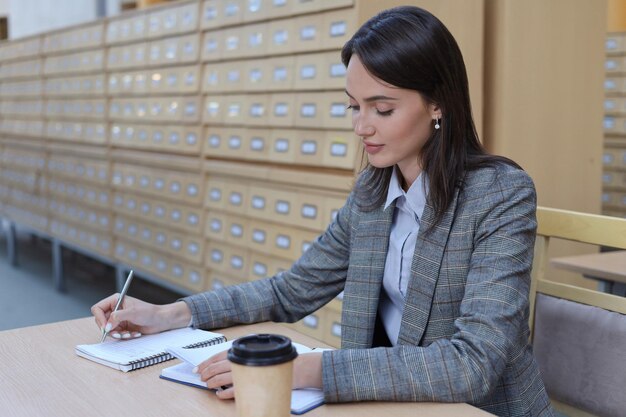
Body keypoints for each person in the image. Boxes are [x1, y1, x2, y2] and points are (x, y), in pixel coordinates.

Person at [92, 6, 554, 417]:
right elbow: (292, 290)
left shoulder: (499, 195)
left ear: (438, 103)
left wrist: (301, 369)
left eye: (382, 108)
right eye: (354, 106)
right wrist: (170, 314)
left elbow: (472, 364)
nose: (361, 126)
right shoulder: (374, 192)